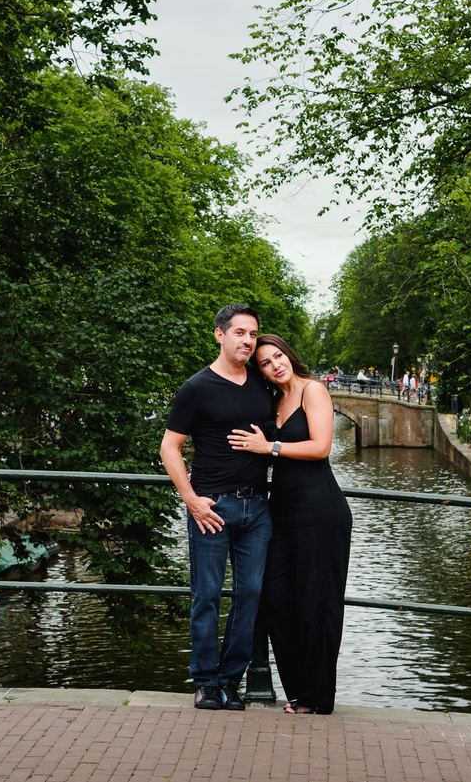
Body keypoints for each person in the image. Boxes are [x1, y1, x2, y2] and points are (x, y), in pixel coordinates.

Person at [228, 334, 353, 715]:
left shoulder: (313, 390)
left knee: (317, 603)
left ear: (289, 355)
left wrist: (271, 447)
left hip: (320, 512)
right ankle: (298, 689)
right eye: (265, 363)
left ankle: (317, 698)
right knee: (275, 599)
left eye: (277, 356)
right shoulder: (274, 401)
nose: (274, 365)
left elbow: (321, 447)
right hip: (281, 513)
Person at [160, 303, 275, 711]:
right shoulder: (197, 388)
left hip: (258, 508)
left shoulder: (264, 385)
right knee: (206, 595)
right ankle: (206, 682)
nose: (248, 340)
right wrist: (190, 499)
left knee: (251, 594)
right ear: (219, 335)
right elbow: (169, 447)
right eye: (240, 332)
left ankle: (231, 681)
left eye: (253, 334)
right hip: (211, 508)